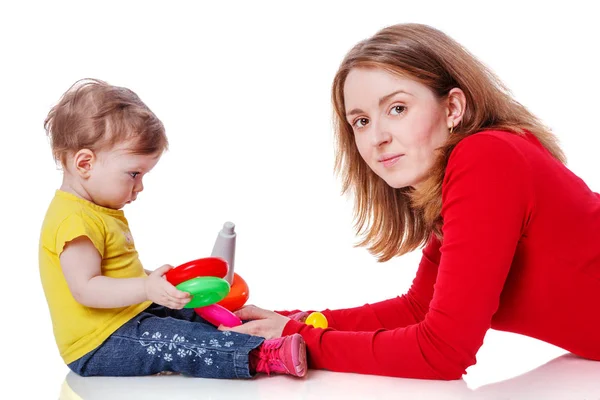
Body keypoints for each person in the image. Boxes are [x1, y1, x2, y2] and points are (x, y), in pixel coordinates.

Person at [219, 23, 600, 380]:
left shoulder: (487, 159)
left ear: (453, 108)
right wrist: (286, 321)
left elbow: (443, 351)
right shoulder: (464, 177)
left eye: (397, 108)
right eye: (361, 121)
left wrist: (299, 339)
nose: (377, 137)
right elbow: (418, 309)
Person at [38, 79, 307, 378]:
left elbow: (117, 274)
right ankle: (261, 355)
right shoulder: (73, 219)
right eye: (133, 174)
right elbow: (86, 289)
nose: (139, 187)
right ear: (85, 163)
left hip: (129, 317)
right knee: (178, 341)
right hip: (98, 343)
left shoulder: (98, 210)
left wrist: (159, 284)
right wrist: (146, 287)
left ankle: (270, 326)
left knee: (194, 310)